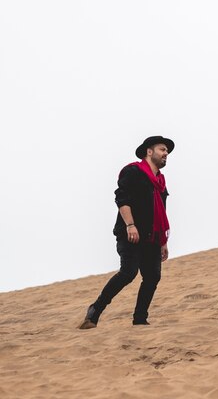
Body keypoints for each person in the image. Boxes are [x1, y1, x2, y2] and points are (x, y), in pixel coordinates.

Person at [78, 136, 173, 328]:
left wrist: (163, 241)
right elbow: (122, 198)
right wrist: (130, 224)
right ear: (149, 151)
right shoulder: (133, 171)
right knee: (129, 272)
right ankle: (95, 311)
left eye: (167, 152)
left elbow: (161, 212)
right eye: (162, 150)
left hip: (152, 238)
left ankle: (139, 319)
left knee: (153, 276)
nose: (166, 154)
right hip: (131, 233)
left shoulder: (160, 183)